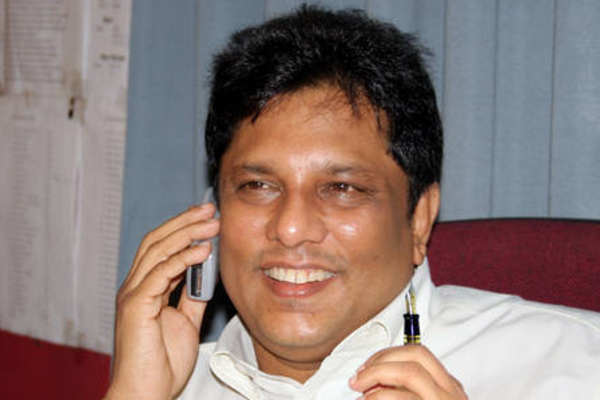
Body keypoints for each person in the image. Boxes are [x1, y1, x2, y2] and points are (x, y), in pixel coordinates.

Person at [104, 6, 600, 400]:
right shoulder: (166, 382)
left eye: (342, 189)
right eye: (258, 186)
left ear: (419, 219)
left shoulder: (576, 368)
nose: (291, 227)